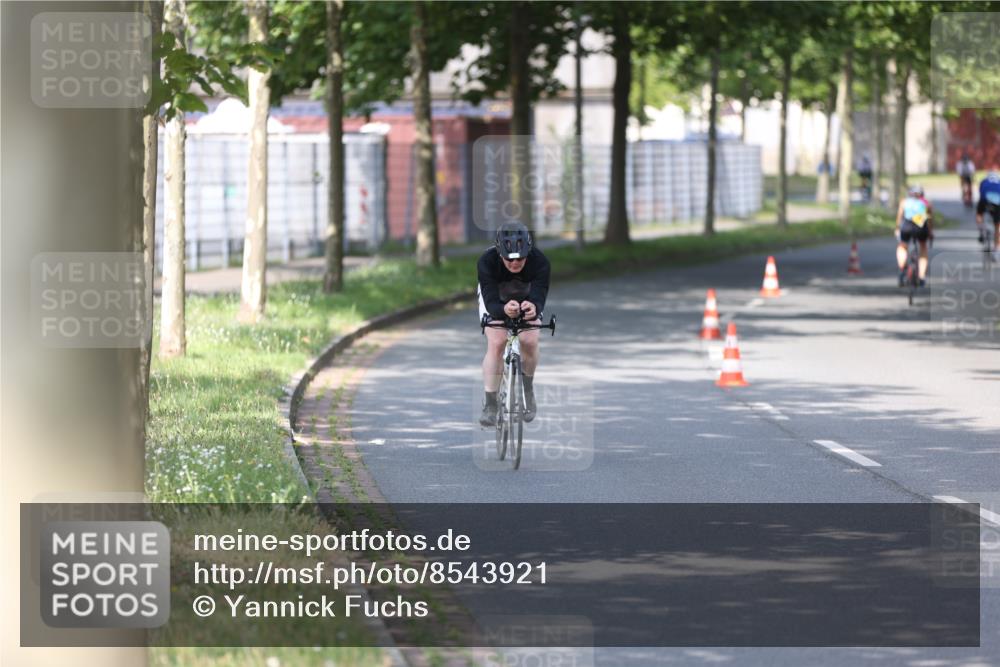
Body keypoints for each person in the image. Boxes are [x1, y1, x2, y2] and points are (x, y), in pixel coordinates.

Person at [477, 221, 550, 427]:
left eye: (521, 259)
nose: (515, 264)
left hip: (526, 295)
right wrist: (502, 310)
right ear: (500, 254)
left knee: (530, 339)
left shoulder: (540, 262)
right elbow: (490, 301)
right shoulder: (487, 261)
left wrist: (534, 306)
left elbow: (539, 294)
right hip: (496, 299)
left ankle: (527, 389)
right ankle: (491, 404)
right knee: (498, 341)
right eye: (509, 260)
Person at [895, 184, 933, 287]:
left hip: (907, 226)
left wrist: (897, 228)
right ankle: (921, 277)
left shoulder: (904, 202)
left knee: (902, 246)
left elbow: (899, 216)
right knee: (923, 248)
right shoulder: (926, 203)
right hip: (921, 227)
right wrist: (930, 233)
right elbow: (929, 220)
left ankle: (902, 268)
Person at [976, 169, 1000, 255]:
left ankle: (981, 231)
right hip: (998, 202)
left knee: (979, 213)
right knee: (997, 225)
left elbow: (981, 193)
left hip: (985, 200)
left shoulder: (984, 181)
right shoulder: (999, 181)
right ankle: (996, 248)